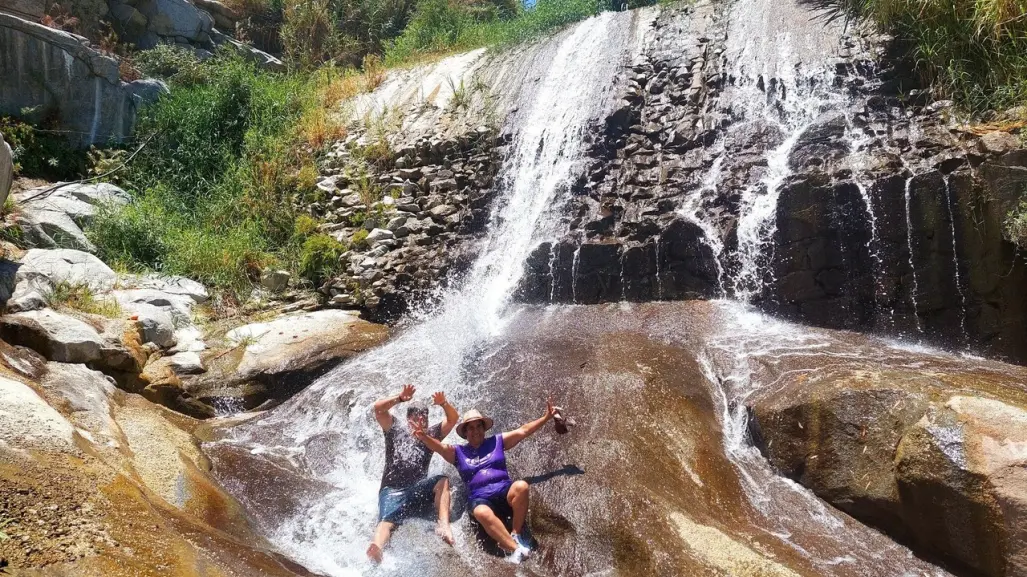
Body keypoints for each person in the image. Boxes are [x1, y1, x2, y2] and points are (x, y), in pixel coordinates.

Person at [412, 400, 559, 564]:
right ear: (465, 432)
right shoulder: (458, 452)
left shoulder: (497, 442)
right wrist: (424, 437)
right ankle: (515, 549)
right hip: (480, 499)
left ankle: (516, 534)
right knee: (481, 512)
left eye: (479, 426)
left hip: (504, 490)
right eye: (471, 428)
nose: (476, 431)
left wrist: (546, 417)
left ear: (484, 428)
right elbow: (439, 447)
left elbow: (523, 431)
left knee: (522, 486)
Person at [367, 384, 459, 564]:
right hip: (391, 490)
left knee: (442, 481)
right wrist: (399, 398)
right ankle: (377, 548)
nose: (420, 422)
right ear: (408, 419)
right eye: (416, 417)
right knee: (386, 522)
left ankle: (444, 526)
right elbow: (378, 409)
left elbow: (453, 419)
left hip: (416, 490)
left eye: (424, 418)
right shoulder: (395, 430)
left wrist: (444, 404)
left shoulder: (430, 434)